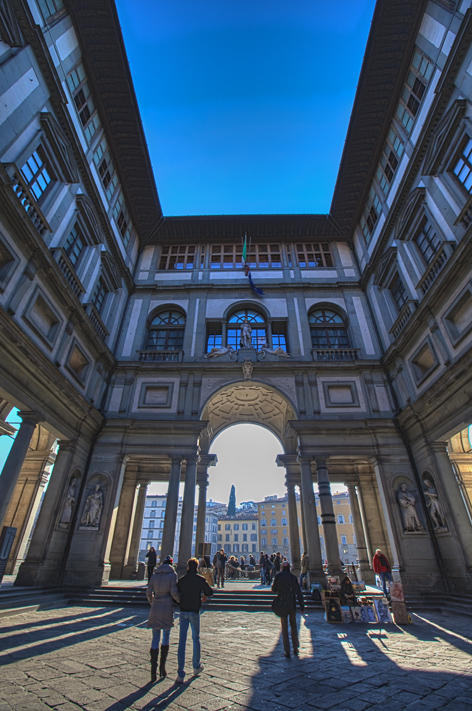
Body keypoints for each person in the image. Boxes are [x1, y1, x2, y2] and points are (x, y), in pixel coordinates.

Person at [176, 557, 214, 683]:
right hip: (194, 611)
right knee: (195, 639)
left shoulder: (182, 580)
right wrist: (203, 595)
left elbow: (176, 593)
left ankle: (180, 673)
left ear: (188, 567)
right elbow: (209, 592)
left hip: (183, 611)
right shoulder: (200, 579)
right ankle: (196, 666)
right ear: (197, 567)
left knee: (181, 641)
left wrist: (180, 600)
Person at [146, 555, 180, 682]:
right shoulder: (172, 575)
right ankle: (162, 667)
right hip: (167, 606)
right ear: (171, 564)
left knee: (155, 636)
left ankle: (153, 670)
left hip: (156, 606)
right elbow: (174, 592)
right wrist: (180, 601)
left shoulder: (154, 575)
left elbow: (148, 592)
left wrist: (152, 602)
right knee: (166, 635)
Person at [272, 560, 305, 657]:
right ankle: (296, 648)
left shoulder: (278, 576)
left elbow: (274, 590)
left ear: (282, 567)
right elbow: (298, 593)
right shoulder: (293, 578)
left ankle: (287, 650)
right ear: (289, 568)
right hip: (291, 604)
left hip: (282, 603)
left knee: (284, 627)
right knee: (294, 625)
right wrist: (302, 607)